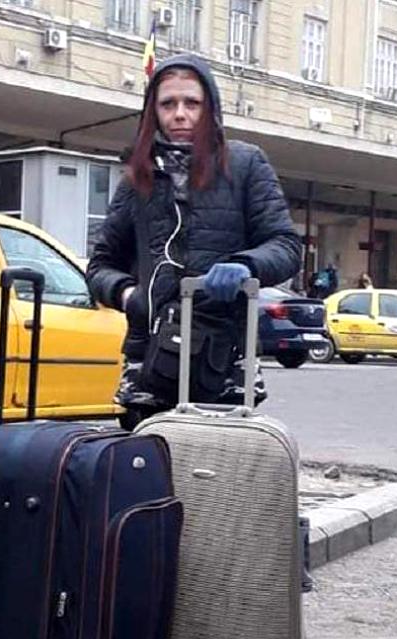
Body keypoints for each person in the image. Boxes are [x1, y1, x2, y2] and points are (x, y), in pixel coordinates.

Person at [86, 53, 301, 426]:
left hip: (224, 355)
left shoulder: (246, 164)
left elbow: (285, 245)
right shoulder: (138, 177)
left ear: (210, 107)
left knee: (218, 458)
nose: (180, 115)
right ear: (153, 111)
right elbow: (100, 266)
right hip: (150, 358)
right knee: (148, 457)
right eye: (168, 104)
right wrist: (128, 295)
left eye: (192, 103)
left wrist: (245, 266)